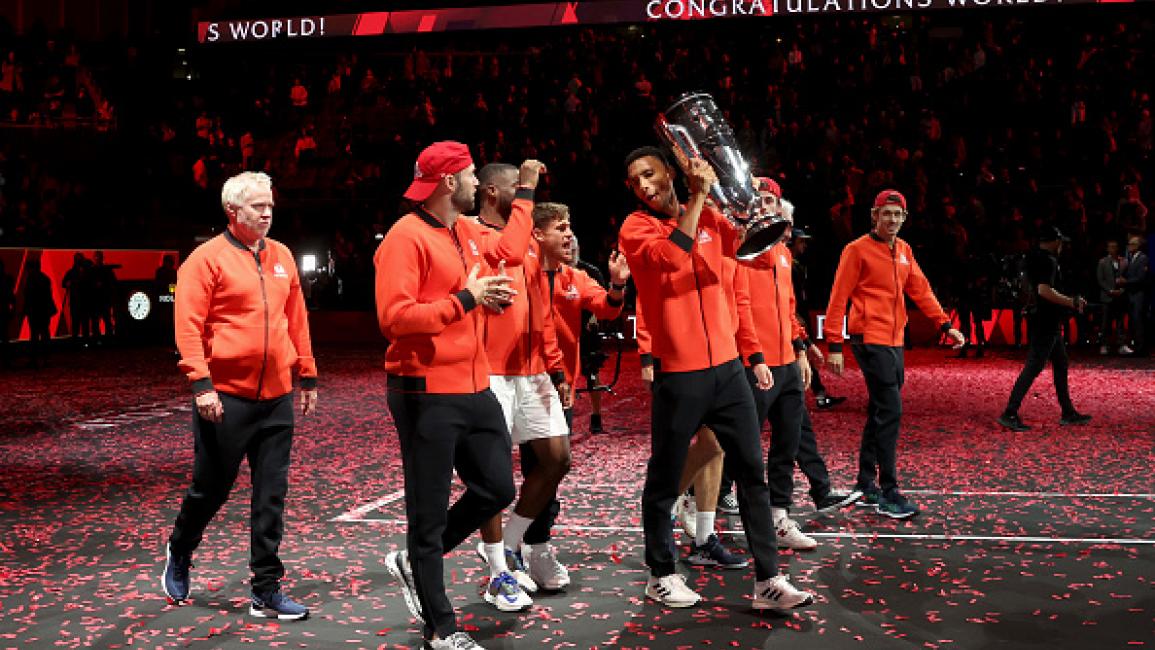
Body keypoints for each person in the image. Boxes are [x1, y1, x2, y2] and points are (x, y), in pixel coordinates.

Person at [618, 146, 812, 612]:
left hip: (727, 371)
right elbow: (668, 259)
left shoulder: (706, 218)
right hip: (679, 374)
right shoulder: (636, 228)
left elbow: (747, 248)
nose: (644, 185)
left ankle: (768, 580)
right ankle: (660, 573)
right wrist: (700, 198)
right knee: (664, 478)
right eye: (634, 180)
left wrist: (731, 195)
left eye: (650, 173)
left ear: (670, 171)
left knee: (751, 473)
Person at [376, 141, 544, 650]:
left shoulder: (463, 230)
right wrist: (467, 298)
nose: (476, 183)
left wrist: (528, 195)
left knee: (497, 489)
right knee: (426, 515)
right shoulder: (407, 237)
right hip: (425, 390)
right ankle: (440, 628)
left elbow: (512, 249)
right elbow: (395, 319)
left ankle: (414, 561)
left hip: (473, 385)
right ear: (449, 182)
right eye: (471, 175)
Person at [162, 171, 318, 621]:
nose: (267, 212)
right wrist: (201, 384)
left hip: (277, 398)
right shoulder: (205, 260)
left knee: (271, 495)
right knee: (211, 490)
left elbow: (297, 320)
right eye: (257, 207)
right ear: (233, 211)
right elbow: (187, 327)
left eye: (270, 205)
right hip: (225, 398)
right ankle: (180, 547)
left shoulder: (283, 256)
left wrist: (306, 374)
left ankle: (266, 589)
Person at [824, 189, 965, 519]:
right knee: (891, 410)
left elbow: (921, 289)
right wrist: (834, 344)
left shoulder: (903, 250)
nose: (891, 220)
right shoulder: (855, 250)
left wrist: (945, 325)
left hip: (894, 340)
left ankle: (865, 483)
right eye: (885, 214)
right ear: (874, 215)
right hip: (868, 338)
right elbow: (838, 296)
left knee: (881, 409)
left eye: (897, 215)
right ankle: (889, 491)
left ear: (904, 218)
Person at [472, 163, 568, 609]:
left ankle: (510, 543)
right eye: (517, 188)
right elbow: (504, 254)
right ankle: (497, 572)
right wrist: (528, 189)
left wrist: (556, 367)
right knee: (493, 476)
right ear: (493, 191)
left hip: (530, 371)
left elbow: (541, 309)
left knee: (555, 458)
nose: (525, 193)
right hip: (489, 370)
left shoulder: (527, 243)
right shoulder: (473, 236)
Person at [997, 225, 1093, 431]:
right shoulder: (1047, 261)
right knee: (1035, 365)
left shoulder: (1031, 257)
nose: (1061, 245)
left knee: (1060, 362)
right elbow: (1044, 290)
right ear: (1051, 241)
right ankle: (1010, 412)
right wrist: (1071, 302)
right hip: (1046, 320)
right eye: (1059, 240)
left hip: (1039, 318)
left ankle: (1067, 411)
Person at [788, 224, 844, 409]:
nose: (804, 245)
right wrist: (795, 316)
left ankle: (818, 393)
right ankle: (816, 394)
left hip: (799, 317)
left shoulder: (795, 264)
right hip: (794, 319)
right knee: (798, 357)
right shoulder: (787, 265)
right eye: (801, 241)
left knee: (803, 357)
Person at [20, 258, 56, 368]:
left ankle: (34, 359)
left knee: (34, 335)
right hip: (44, 311)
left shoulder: (30, 279)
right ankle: (46, 359)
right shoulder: (45, 278)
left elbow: (28, 297)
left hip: (34, 311)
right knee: (45, 334)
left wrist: (25, 310)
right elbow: (49, 296)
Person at [1118, 236, 1148, 356]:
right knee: (1132, 322)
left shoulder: (1143, 258)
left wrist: (1126, 281)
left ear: (1137, 245)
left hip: (1138, 295)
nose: (1129, 246)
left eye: (1131, 244)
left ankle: (1141, 349)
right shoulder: (1129, 259)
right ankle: (1136, 346)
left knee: (1138, 321)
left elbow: (1141, 278)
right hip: (1130, 295)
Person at [1096, 240, 1127, 355]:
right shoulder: (1102, 262)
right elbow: (1100, 280)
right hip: (1107, 297)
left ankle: (1121, 344)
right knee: (1105, 323)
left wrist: (1121, 290)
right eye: (1111, 247)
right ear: (1108, 249)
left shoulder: (1123, 261)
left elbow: (1126, 277)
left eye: (1115, 247)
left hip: (1119, 296)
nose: (1113, 249)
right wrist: (1110, 291)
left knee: (1120, 322)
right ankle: (1104, 344)